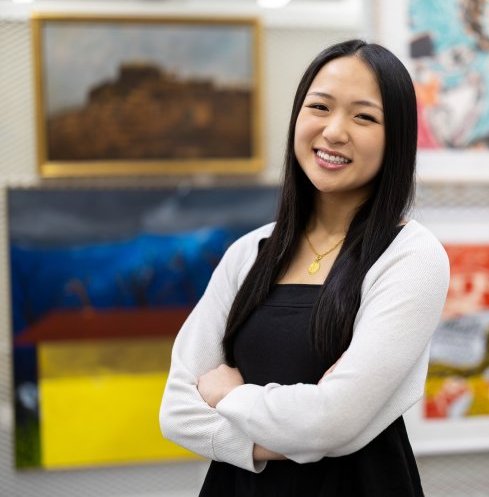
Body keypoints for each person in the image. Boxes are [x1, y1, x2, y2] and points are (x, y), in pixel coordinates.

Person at [159, 39, 450, 496]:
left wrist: (229, 395)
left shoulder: (411, 256)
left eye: (363, 117)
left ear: (396, 138)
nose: (334, 131)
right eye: (320, 107)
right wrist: (296, 434)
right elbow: (177, 412)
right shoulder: (250, 252)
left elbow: (331, 421)